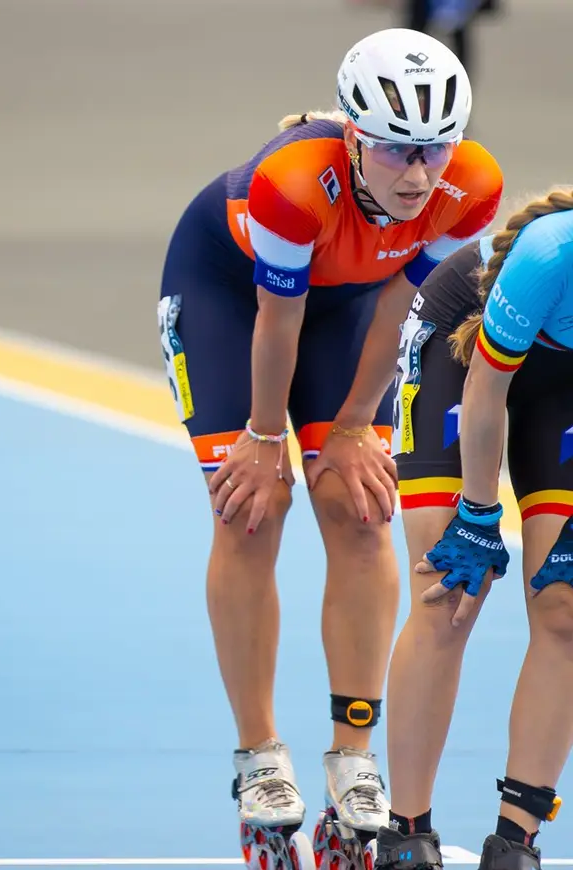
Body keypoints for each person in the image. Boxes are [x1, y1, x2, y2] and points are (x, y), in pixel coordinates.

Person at [156, 26, 504, 870]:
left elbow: (398, 310)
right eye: (396, 152)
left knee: (358, 507)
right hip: (231, 299)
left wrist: (352, 426)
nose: (419, 174)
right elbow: (278, 322)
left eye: (434, 149)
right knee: (253, 507)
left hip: (352, 308)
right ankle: (259, 756)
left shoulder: (473, 186)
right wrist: (266, 437)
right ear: (353, 136)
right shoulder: (288, 186)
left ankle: (354, 755)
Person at [379, 189, 573, 870]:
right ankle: (405, 831)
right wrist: (479, 514)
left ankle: (514, 841)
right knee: (450, 591)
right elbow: (486, 395)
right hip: (464, 353)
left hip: (564, 384)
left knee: (566, 607)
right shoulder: (554, 253)